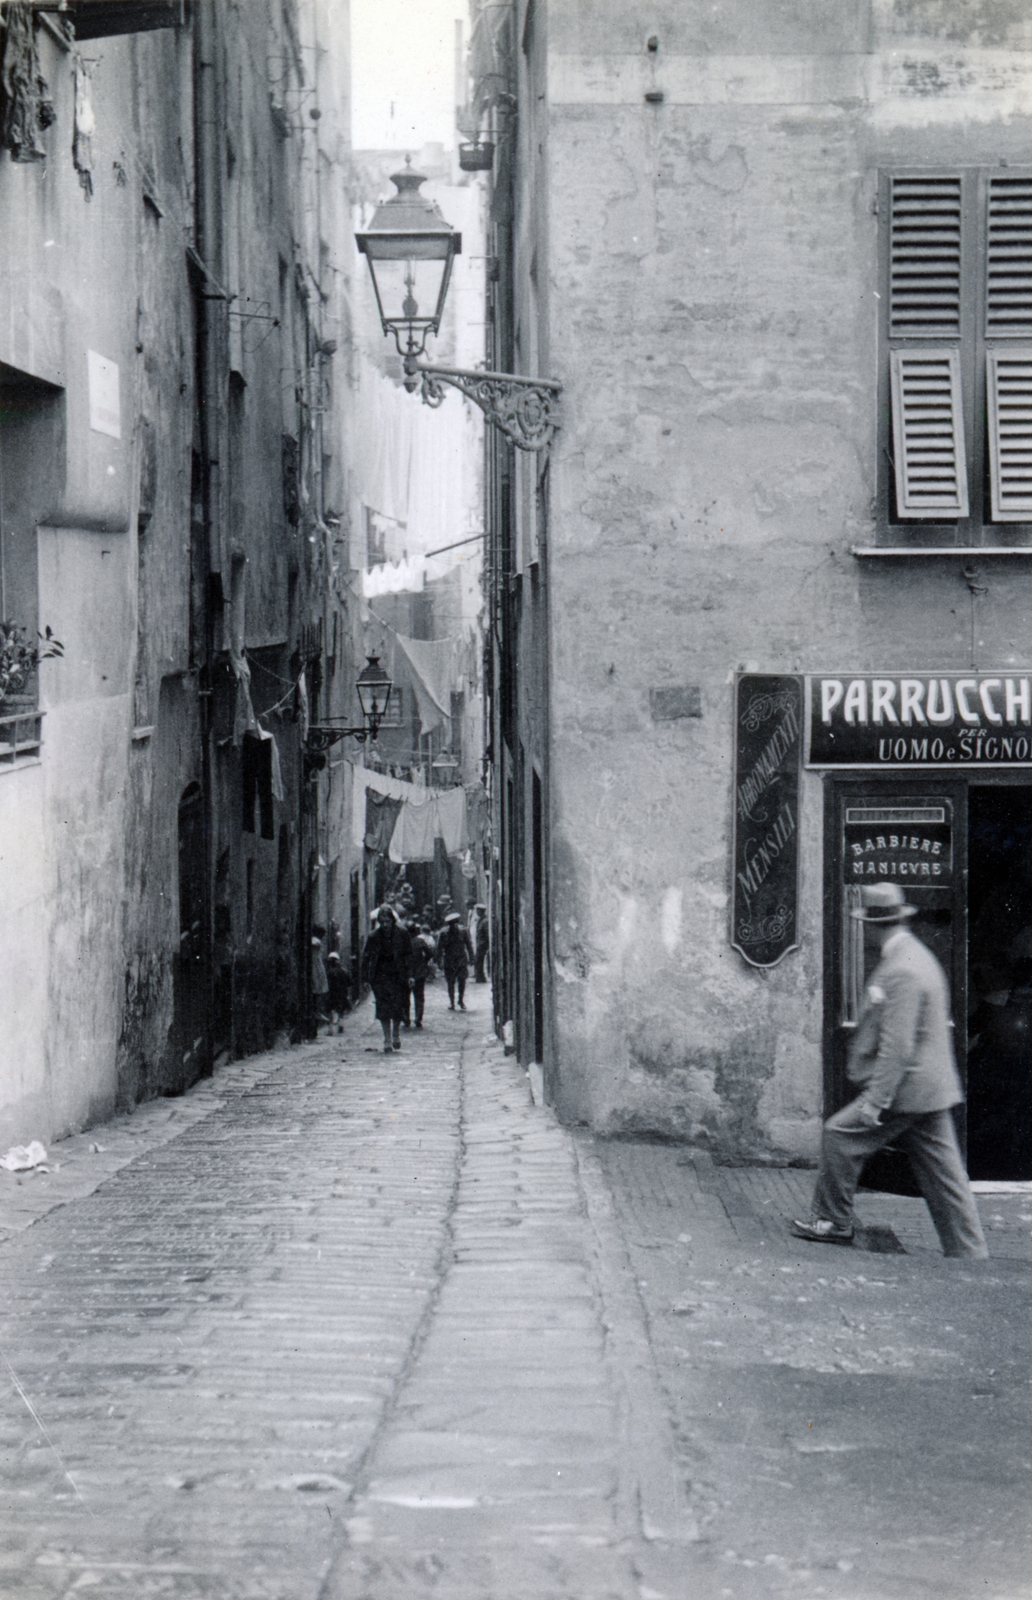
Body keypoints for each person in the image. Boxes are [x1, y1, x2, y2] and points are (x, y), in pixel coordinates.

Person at [792, 882, 988, 1258]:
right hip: (929, 1089)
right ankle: (970, 1254)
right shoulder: (917, 956)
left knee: (839, 1135)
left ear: (871, 924)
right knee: (946, 1178)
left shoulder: (900, 970)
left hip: (907, 1089)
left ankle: (834, 1221)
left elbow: (897, 1046)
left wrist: (875, 1102)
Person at [362, 905, 414, 1053]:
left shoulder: (402, 933)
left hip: (398, 974)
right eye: (382, 922)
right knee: (383, 1007)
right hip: (380, 976)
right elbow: (366, 957)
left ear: (392, 920)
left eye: (387, 921)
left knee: (397, 1006)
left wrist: (410, 975)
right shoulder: (374, 936)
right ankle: (387, 1039)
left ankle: (396, 1034)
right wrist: (365, 979)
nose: (385, 925)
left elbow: (409, 955)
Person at [437, 910, 474, 1011]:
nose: (453, 926)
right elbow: (439, 948)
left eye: (455, 923)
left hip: (461, 960)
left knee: (462, 981)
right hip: (449, 961)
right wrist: (438, 961)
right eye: (451, 924)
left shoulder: (463, 931)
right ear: (448, 924)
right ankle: (452, 1002)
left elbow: (469, 945)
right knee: (450, 982)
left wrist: (471, 957)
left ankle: (460, 1000)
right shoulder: (444, 933)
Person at [410, 923, 436, 1029]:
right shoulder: (420, 941)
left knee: (404, 996)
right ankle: (418, 1018)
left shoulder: (403, 942)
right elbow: (430, 953)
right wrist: (423, 961)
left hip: (406, 972)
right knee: (419, 996)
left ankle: (405, 1018)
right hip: (419, 972)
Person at [325, 950, 350, 1032]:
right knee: (341, 1010)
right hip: (342, 993)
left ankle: (330, 1029)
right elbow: (350, 983)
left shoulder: (328, 972)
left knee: (330, 1010)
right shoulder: (344, 971)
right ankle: (340, 1025)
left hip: (331, 993)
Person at [473, 903, 489, 983]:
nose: (476, 912)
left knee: (479, 961)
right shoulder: (481, 920)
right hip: (480, 943)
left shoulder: (485, 921)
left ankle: (480, 978)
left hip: (482, 944)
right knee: (478, 961)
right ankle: (479, 977)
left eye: (478, 911)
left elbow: (487, 934)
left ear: (481, 911)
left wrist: (486, 944)